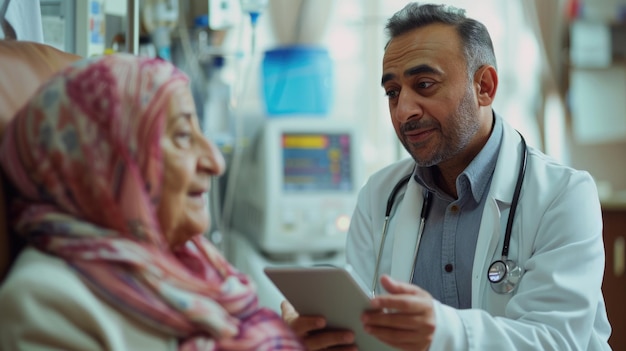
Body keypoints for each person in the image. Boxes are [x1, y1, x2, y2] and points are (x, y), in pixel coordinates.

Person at [282, 3, 611, 351]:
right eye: (393, 92)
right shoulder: (381, 196)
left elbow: (556, 340)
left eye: (424, 84)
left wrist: (445, 331)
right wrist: (323, 334)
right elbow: (364, 328)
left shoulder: (563, 194)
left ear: (484, 86)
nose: (404, 110)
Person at [0, 53, 304, 351]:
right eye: (183, 135)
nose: (215, 161)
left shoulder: (195, 271)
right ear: (107, 162)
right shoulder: (47, 305)